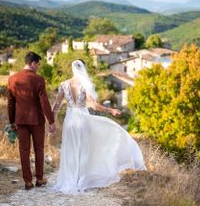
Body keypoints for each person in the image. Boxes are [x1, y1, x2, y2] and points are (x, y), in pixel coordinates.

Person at [52, 59, 146, 194]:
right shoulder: (84, 85)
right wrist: (111, 111)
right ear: (83, 69)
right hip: (83, 121)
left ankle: (70, 180)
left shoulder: (64, 84)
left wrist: (51, 121)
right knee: (84, 150)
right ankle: (81, 180)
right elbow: (95, 106)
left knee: (70, 150)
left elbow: (57, 105)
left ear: (72, 69)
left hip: (70, 121)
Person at [7, 51, 56, 190]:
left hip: (20, 120)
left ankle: (27, 181)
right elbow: (44, 102)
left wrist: (11, 122)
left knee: (23, 150)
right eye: (38, 64)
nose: (39, 67)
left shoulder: (12, 79)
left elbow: (10, 103)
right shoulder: (38, 79)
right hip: (37, 120)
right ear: (33, 63)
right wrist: (51, 121)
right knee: (39, 149)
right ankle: (40, 179)